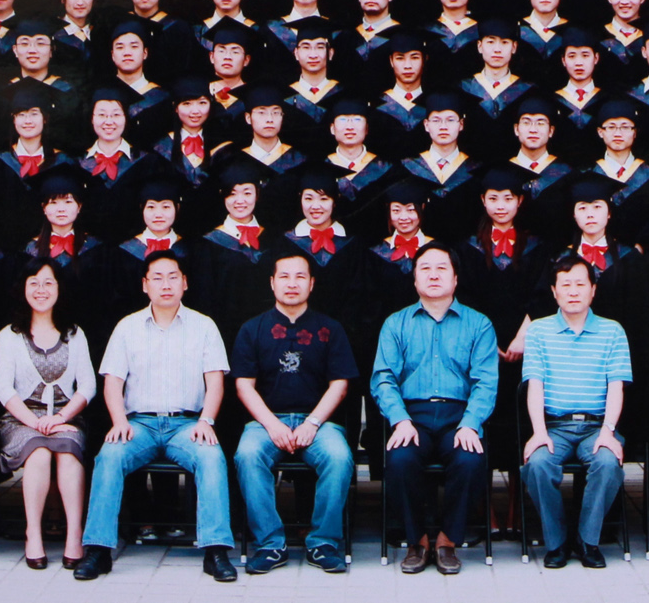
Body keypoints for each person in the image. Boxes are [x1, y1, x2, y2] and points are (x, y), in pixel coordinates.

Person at [75, 252, 236, 582]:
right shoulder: (127, 327)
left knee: (211, 457)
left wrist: (206, 420)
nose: (166, 284)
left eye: (173, 277)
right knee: (109, 457)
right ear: (145, 285)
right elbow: (112, 382)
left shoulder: (204, 326)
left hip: (187, 424)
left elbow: (215, 382)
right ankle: (98, 551)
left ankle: (216, 550)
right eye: (157, 278)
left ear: (185, 283)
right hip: (139, 424)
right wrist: (119, 421)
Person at [372, 245, 500, 575]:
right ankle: (417, 541)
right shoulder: (396, 323)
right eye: (425, 268)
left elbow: (486, 382)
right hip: (411, 415)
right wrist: (399, 420)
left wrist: (471, 423)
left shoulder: (479, 324)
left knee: (470, 461)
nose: (433, 275)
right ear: (414, 279)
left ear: (455, 279)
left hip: (459, 416)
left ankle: (447, 540)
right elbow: (383, 379)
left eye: (442, 268)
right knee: (399, 460)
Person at [231, 250, 360, 574]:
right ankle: (270, 544)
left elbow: (340, 385)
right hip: (266, 422)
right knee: (247, 455)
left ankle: (323, 542)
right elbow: (244, 386)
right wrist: (273, 425)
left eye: (300, 276)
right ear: (272, 283)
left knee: (339, 457)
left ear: (312, 284)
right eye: (284, 277)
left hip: (318, 422)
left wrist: (312, 423)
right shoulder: (252, 329)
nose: (292, 283)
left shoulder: (330, 328)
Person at [521, 253, 634, 568]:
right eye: (565, 284)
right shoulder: (539, 331)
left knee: (607, 462)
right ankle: (557, 542)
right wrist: (539, 433)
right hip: (554, 425)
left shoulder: (612, 331)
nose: (573, 291)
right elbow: (534, 385)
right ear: (554, 291)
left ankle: (587, 540)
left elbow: (616, 387)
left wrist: (608, 432)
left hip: (596, 426)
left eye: (580, 284)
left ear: (593, 290)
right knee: (537, 464)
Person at [0, 259, 92, 570]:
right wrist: (35, 422)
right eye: (33, 283)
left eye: (48, 283)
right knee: (38, 453)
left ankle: (74, 535)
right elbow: (2, 388)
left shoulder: (74, 333)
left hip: (66, 417)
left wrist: (61, 419)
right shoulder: (9, 335)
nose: (41, 290)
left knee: (68, 453)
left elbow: (88, 386)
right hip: (21, 418)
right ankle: (33, 534)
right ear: (23, 289)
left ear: (59, 289)